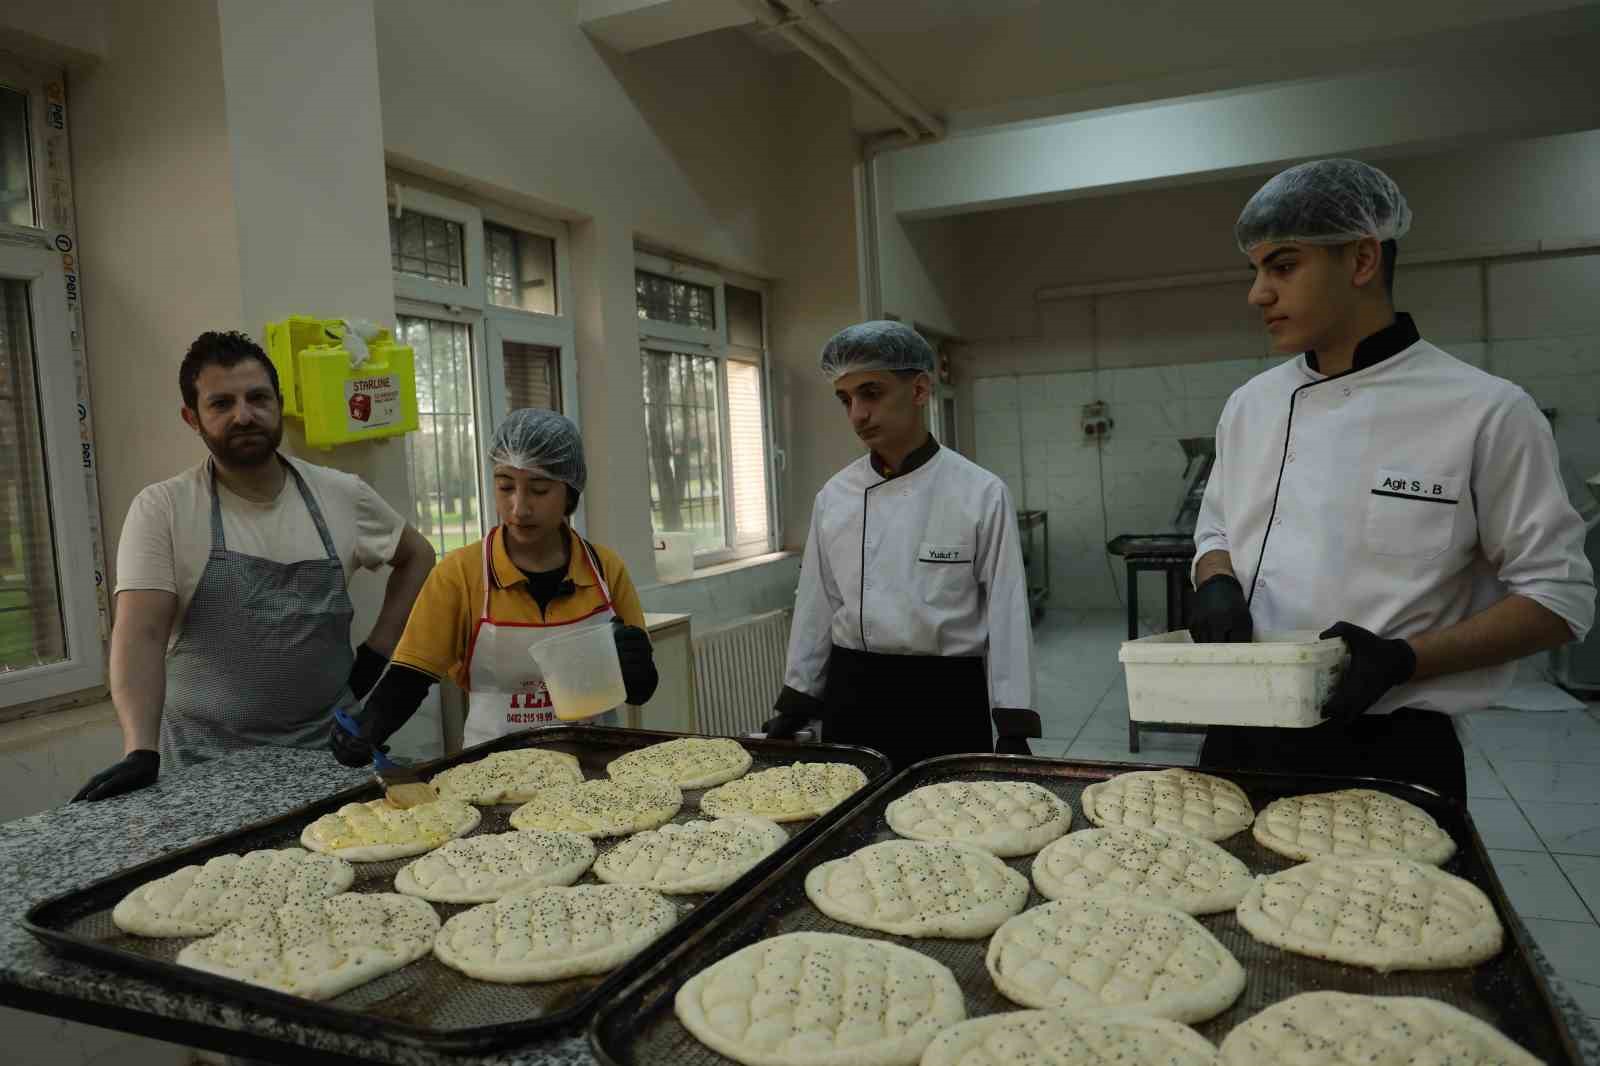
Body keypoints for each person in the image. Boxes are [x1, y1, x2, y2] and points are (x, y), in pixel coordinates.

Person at [1189, 158, 1595, 801]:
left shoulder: (1484, 409)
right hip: (1241, 724)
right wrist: (1215, 580)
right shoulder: (1251, 404)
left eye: (1284, 266)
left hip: (1391, 744)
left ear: (1361, 261)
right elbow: (1217, 527)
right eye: (1256, 270)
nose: (1257, 293)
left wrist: (1405, 659)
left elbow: (1558, 598)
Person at [73, 331, 435, 801]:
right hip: (205, 768)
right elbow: (140, 635)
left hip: (325, 755)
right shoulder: (164, 508)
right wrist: (139, 749)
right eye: (221, 403)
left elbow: (418, 556)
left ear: (279, 404)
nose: (243, 415)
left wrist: (379, 652)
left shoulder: (340, 494)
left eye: (257, 397)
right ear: (192, 418)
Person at [764, 321, 1038, 770]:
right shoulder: (836, 496)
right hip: (853, 693)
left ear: (919, 390)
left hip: (945, 697)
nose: (857, 414)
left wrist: (1013, 724)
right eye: (846, 399)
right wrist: (797, 699)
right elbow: (817, 602)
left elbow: (1007, 610)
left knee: (948, 828)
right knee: (850, 825)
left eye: (871, 393)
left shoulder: (980, 492)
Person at [330, 408, 657, 764]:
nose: (519, 508)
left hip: (596, 764)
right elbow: (410, 676)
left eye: (539, 489)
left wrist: (635, 667)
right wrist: (371, 727)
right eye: (505, 487)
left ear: (570, 493)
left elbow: (640, 689)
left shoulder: (605, 571)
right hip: (494, 769)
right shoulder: (460, 574)